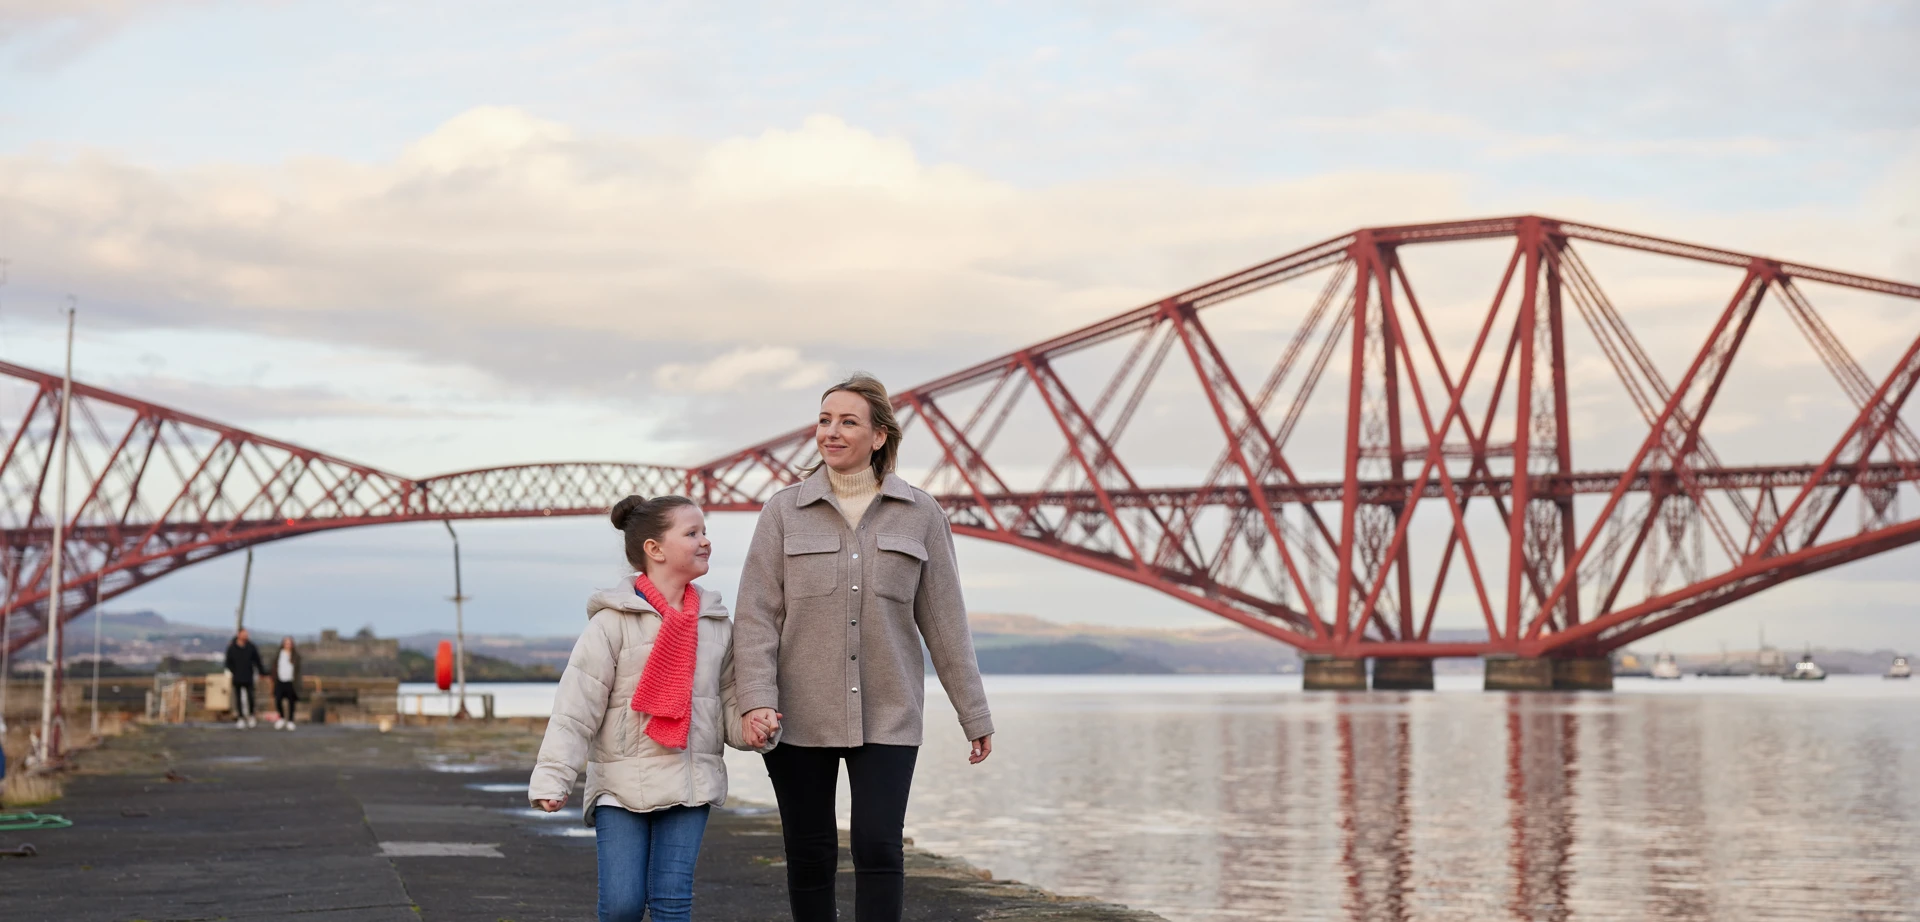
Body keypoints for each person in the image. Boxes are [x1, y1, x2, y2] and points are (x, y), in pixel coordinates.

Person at [734, 373, 995, 922]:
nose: (831, 432)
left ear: (879, 436)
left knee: (878, 846)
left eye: (848, 421)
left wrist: (974, 713)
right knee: (810, 853)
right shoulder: (783, 513)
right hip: (797, 711)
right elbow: (757, 615)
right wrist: (754, 698)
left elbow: (946, 623)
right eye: (825, 420)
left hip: (890, 711)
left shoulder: (921, 514)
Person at [528, 495, 777, 922]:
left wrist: (754, 726)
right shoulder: (611, 624)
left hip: (690, 781)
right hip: (620, 785)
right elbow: (575, 709)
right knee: (622, 905)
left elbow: (727, 703)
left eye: (705, 531)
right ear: (654, 549)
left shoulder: (717, 626)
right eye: (692, 533)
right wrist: (553, 777)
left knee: (672, 901)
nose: (705, 541)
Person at [224, 628, 268, 729]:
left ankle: (251, 716)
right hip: (237, 676)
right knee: (238, 698)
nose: (246, 636)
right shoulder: (232, 647)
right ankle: (240, 717)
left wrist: (262, 672)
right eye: (244, 634)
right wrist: (233, 671)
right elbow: (228, 662)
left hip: (248, 676)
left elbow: (257, 660)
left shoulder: (251, 647)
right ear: (239, 634)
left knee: (250, 697)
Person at [272, 636, 302, 730]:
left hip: (291, 681)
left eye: (289, 643)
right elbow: (274, 666)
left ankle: (290, 720)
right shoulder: (279, 654)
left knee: (291, 702)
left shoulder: (295, 656)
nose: (288, 645)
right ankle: (281, 718)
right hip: (280, 680)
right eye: (286, 643)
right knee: (278, 700)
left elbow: (298, 670)